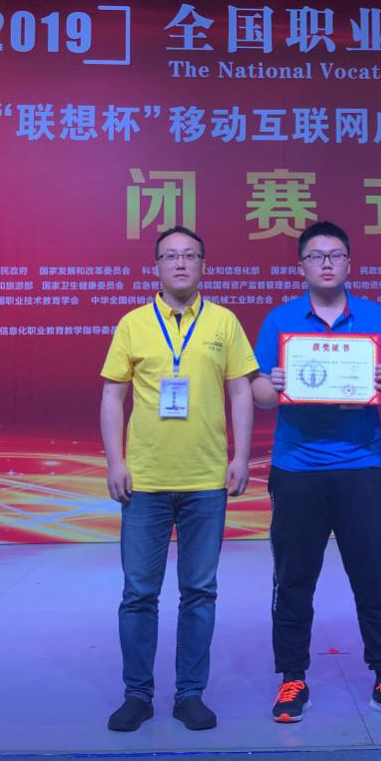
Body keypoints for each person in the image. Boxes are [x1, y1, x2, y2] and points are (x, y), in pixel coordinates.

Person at [251, 221, 381, 724]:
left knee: (374, 579)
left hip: (361, 467)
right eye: (316, 256)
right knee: (293, 579)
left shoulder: (373, 316)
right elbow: (258, 393)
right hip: (297, 468)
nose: (326, 264)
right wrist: (273, 384)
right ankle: (292, 678)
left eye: (335, 255)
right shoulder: (281, 319)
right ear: (301, 266)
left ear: (349, 263)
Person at [100, 226, 258, 732]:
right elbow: (112, 396)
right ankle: (137, 695)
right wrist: (115, 462)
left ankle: (190, 694)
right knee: (138, 593)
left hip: (206, 480)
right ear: (157, 267)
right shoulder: (132, 324)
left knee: (199, 592)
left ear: (204, 265)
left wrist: (241, 456)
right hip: (144, 481)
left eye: (190, 255)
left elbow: (241, 391)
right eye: (171, 256)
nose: (181, 263)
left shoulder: (224, 321)